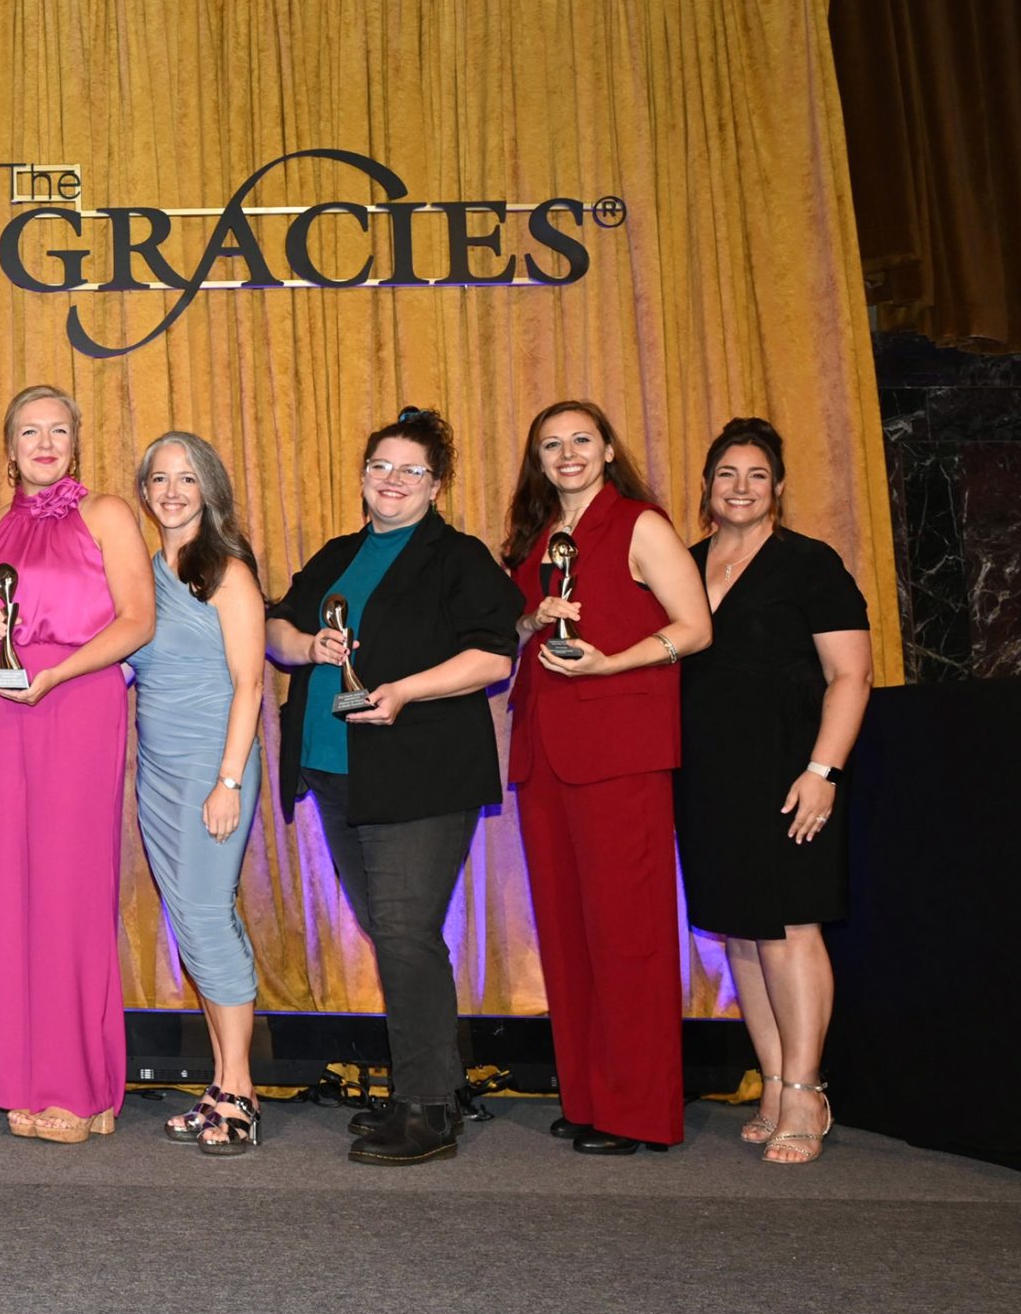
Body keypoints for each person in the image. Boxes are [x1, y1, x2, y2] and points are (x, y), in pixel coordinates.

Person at [266, 408, 522, 1165]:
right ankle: (436, 1083)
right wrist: (307, 644)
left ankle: (427, 1109)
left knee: (406, 933)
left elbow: (493, 656)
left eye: (412, 470)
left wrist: (406, 690)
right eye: (381, 466)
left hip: (419, 773)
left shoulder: (457, 557)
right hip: (336, 772)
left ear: (436, 486)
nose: (393, 480)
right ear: (363, 476)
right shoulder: (338, 554)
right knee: (394, 934)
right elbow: (276, 626)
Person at [502, 399, 712, 1157]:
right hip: (544, 751)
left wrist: (612, 663)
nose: (567, 454)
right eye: (551, 445)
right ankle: (589, 1096)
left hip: (620, 750)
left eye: (581, 440)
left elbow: (696, 627)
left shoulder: (640, 524)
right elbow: (517, 630)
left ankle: (640, 1111)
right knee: (566, 934)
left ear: (609, 449)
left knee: (629, 935)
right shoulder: (536, 538)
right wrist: (530, 622)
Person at [0, 385, 154, 1145]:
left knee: (72, 889)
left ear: (76, 443)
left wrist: (56, 675)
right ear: (8, 449)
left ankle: (79, 1084)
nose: (44, 443)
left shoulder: (107, 515)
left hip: (77, 700)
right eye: (29, 432)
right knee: (11, 890)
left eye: (59, 431)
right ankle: (27, 1078)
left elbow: (138, 621)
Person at [673, 417, 871, 1164]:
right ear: (706, 486)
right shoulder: (685, 564)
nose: (741, 488)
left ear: (779, 487)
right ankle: (775, 1079)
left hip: (792, 773)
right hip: (709, 778)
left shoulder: (809, 564)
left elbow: (851, 676)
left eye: (757, 475)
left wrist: (823, 773)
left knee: (790, 931)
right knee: (742, 935)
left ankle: (807, 1091)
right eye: (727, 474)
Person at [127, 432, 267, 1154]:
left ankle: (241, 1091)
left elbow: (251, 683)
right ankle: (219, 1085)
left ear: (209, 488)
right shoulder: (146, 573)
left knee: (209, 917)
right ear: (144, 491)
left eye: (187, 478)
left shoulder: (227, 571)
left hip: (215, 767)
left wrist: (228, 781)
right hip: (159, 771)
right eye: (159, 479)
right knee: (191, 922)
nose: (172, 491)